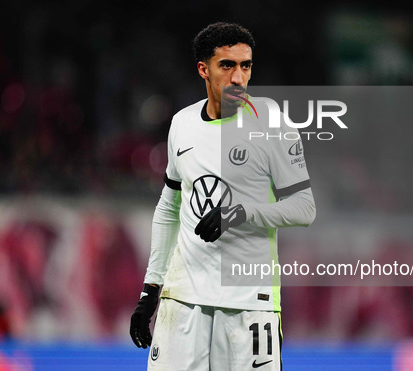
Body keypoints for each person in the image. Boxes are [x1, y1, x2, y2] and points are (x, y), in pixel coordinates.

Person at [130, 22, 316, 370]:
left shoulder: (272, 123)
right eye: (227, 65)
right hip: (183, 300)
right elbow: (169, 209)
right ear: (204, 69)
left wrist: (241, 212)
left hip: (250, 303)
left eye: (245, 65)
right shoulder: (182, 124)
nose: (238, 77)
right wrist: (149, 292)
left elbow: (304, 208)